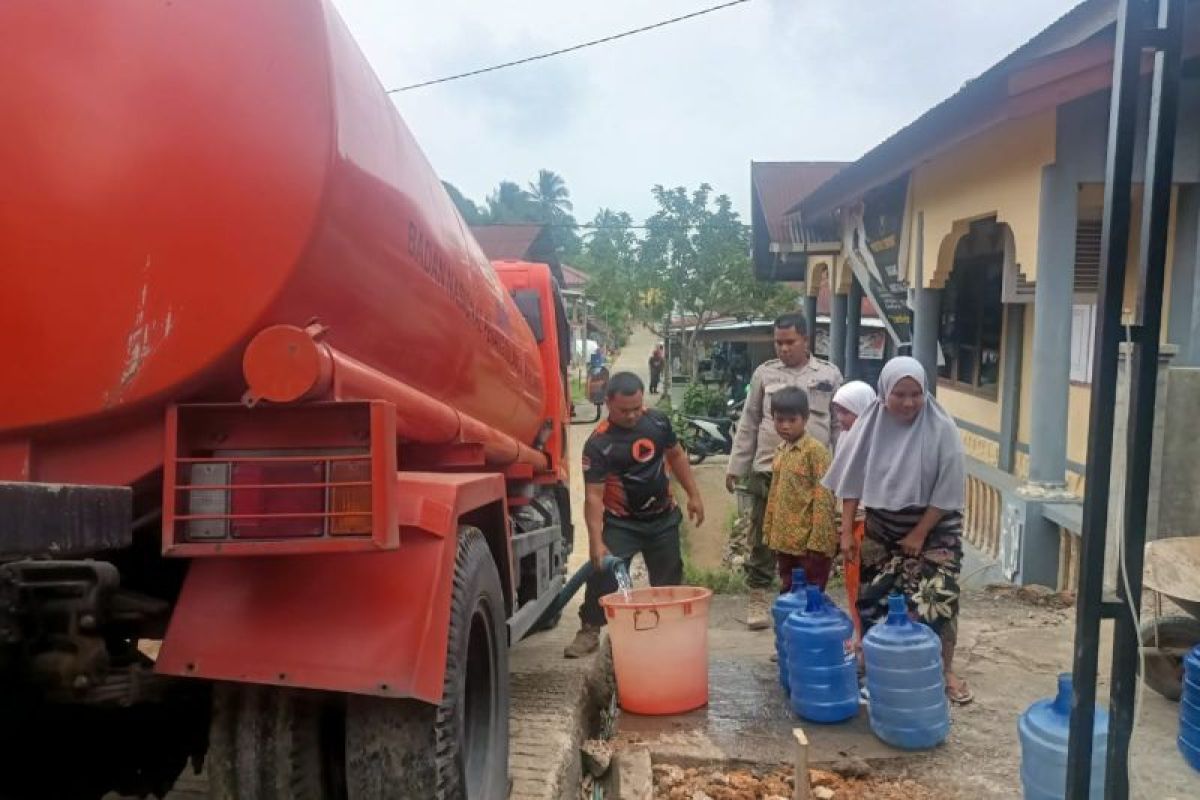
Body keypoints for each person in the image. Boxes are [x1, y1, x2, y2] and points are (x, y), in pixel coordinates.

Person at [822, 357, 972, 705]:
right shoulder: (869, 426)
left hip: (935, 525)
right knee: (873, 597)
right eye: (899, 394)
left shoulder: (941, 428)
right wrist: (846, 533)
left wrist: (920, 534)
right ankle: (876, 663)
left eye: (915, 394)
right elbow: (851, 481)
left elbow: (948, 491)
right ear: (884, 392)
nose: (908, 403)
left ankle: (942, 670)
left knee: (937, 599)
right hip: (883, 524)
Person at [564, 372, 706, 658]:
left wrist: (694, 495)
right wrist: (595, 541)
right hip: (622, 524)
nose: (632, 416)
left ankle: (670, 632)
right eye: (624, 410)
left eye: (636, 408)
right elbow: (593, 496)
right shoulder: (599, 444)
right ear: (607, 403)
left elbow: (676, 455)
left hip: (663, 518)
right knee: (603, 577)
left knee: (669, 580)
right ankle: (590, 628)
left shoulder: (657, 422)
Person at [726, 312, 843, 630]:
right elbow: (749, 421)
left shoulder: (829, 375)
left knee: (809, 539)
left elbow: (838, 426)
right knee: (764, 536)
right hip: (769, 468)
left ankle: (804, 597)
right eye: (778, 342)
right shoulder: (764, 374)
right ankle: (758, 598)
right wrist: (736, 466)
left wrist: (845, 473)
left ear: (806, 339)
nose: (783, 348)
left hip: (816, 474)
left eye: (790, 342)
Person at [762, 387, 838, 592]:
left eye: (792, 420)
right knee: (788, 592)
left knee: (811, 597)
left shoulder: (815, 452)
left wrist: (818, 543)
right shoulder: (780, 451)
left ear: (805, 418)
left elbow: (823, 497)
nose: (785, 426)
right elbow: (774, 494)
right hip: (785, 542)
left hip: (809, 546)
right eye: (779, 420)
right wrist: (769, 531)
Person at [829, 381, 878, 639]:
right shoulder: (846, 439)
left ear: (864, 410)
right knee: (853, 583)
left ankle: (871, 640)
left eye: (846, 412)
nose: (840, 418)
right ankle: (860, 635)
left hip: (871, 524)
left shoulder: (876, 442)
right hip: (852, 522)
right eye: (837, 411)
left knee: (868, 585)